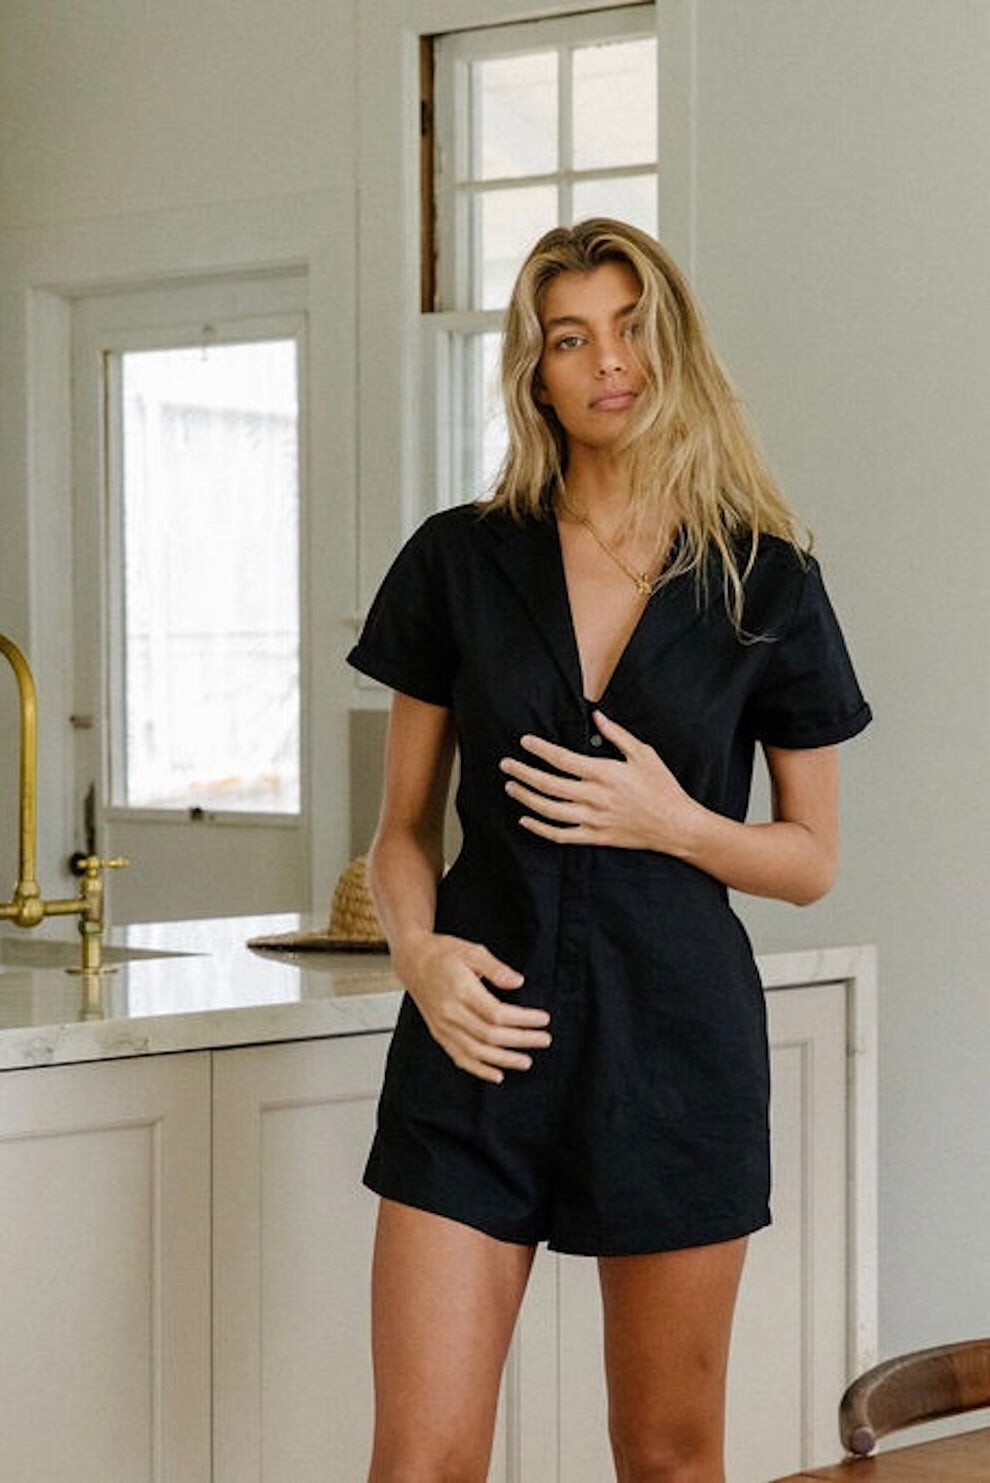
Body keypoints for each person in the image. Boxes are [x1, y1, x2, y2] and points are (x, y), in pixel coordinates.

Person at [347, 218, 871, 1483]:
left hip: (673, 1048)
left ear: (673, 344)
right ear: (535, 372)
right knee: (418, 1461)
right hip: (477, 1042)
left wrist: (673, 822)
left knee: (669, 1458)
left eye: (631, 329)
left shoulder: (765, 581)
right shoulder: (458, 559)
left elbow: (811, 859)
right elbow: (399, 831)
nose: (608, 362)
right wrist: (418, 954)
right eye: (570, 339)